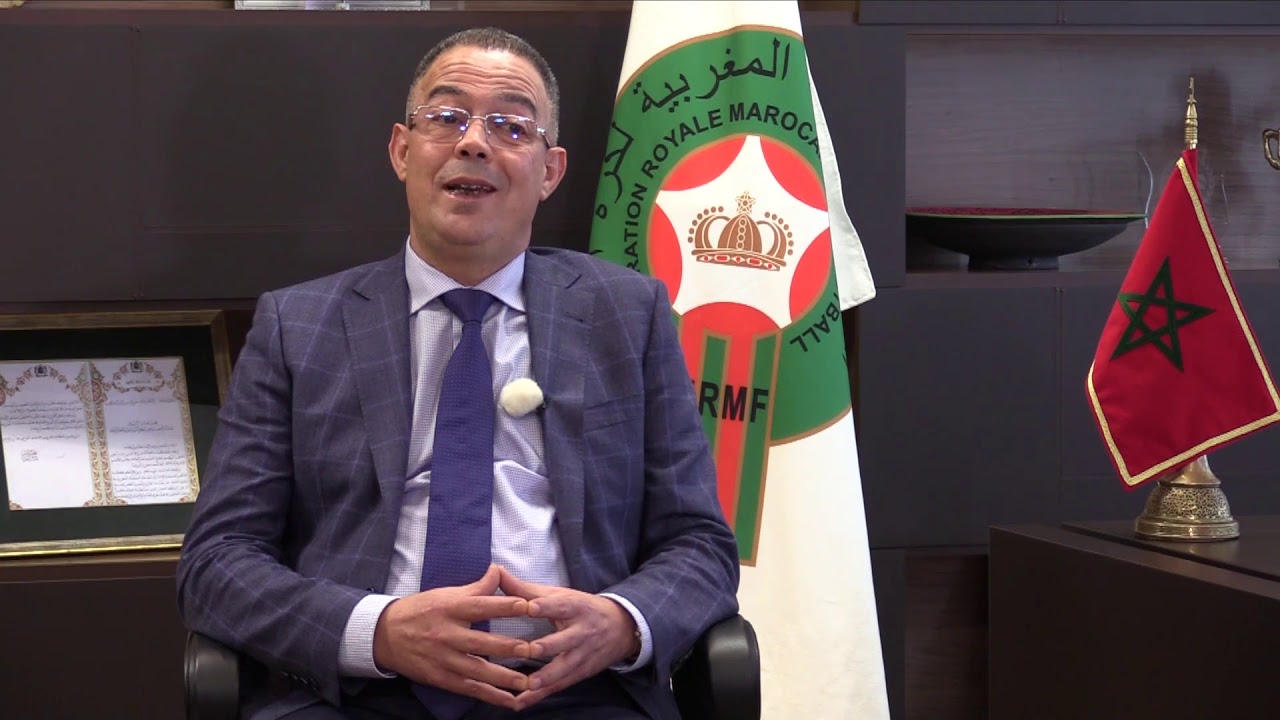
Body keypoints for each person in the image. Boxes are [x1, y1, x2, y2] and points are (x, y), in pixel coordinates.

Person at [176, 26, 740, 720]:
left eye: (511, 126)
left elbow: (700, 544)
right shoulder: (300, 326)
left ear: (550, 171)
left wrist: (621, 623)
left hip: (578, 692)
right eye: (446, 117)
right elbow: (217, 562)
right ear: (401, 150)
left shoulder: (628, 315)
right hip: (361, 694)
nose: (473, 142)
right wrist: (377, 632)